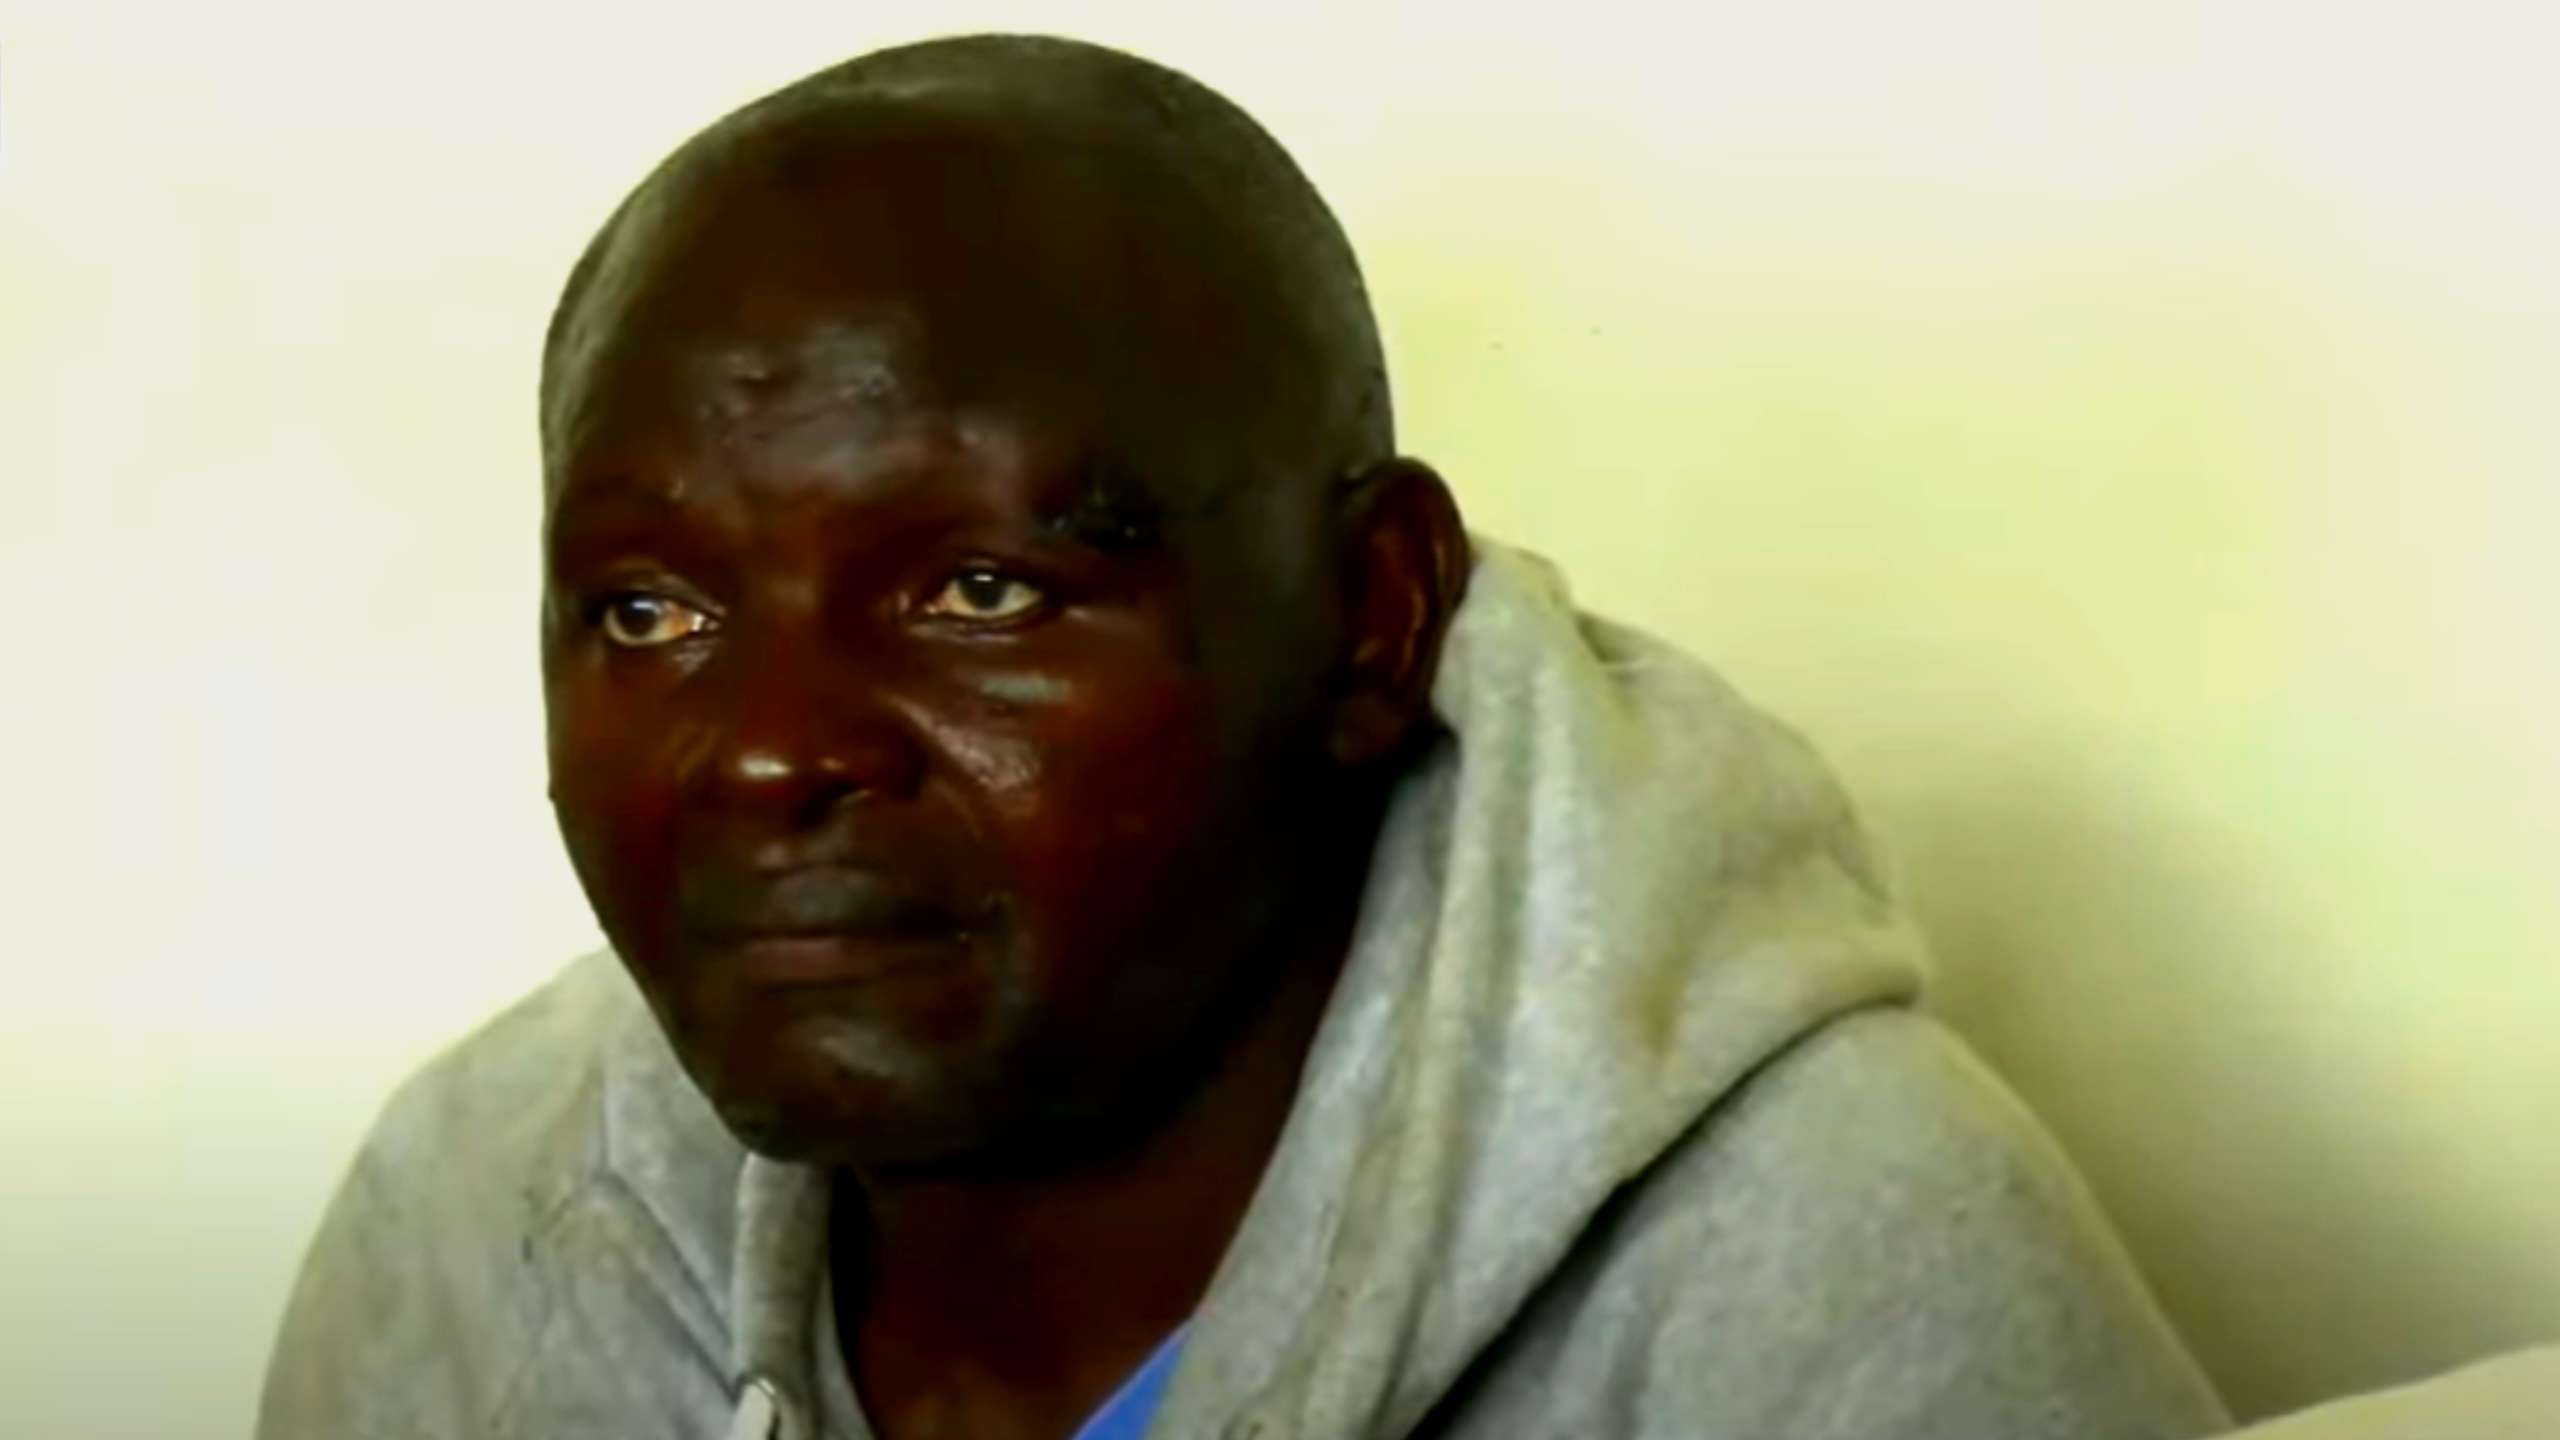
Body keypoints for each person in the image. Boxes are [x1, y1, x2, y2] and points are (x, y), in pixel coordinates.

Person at [258, 33, 2229, 1440]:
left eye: (979, 593)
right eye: (646, 612)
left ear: (1373, 615)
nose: (770, 753)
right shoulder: (478, 1226)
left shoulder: (1837, 1282)